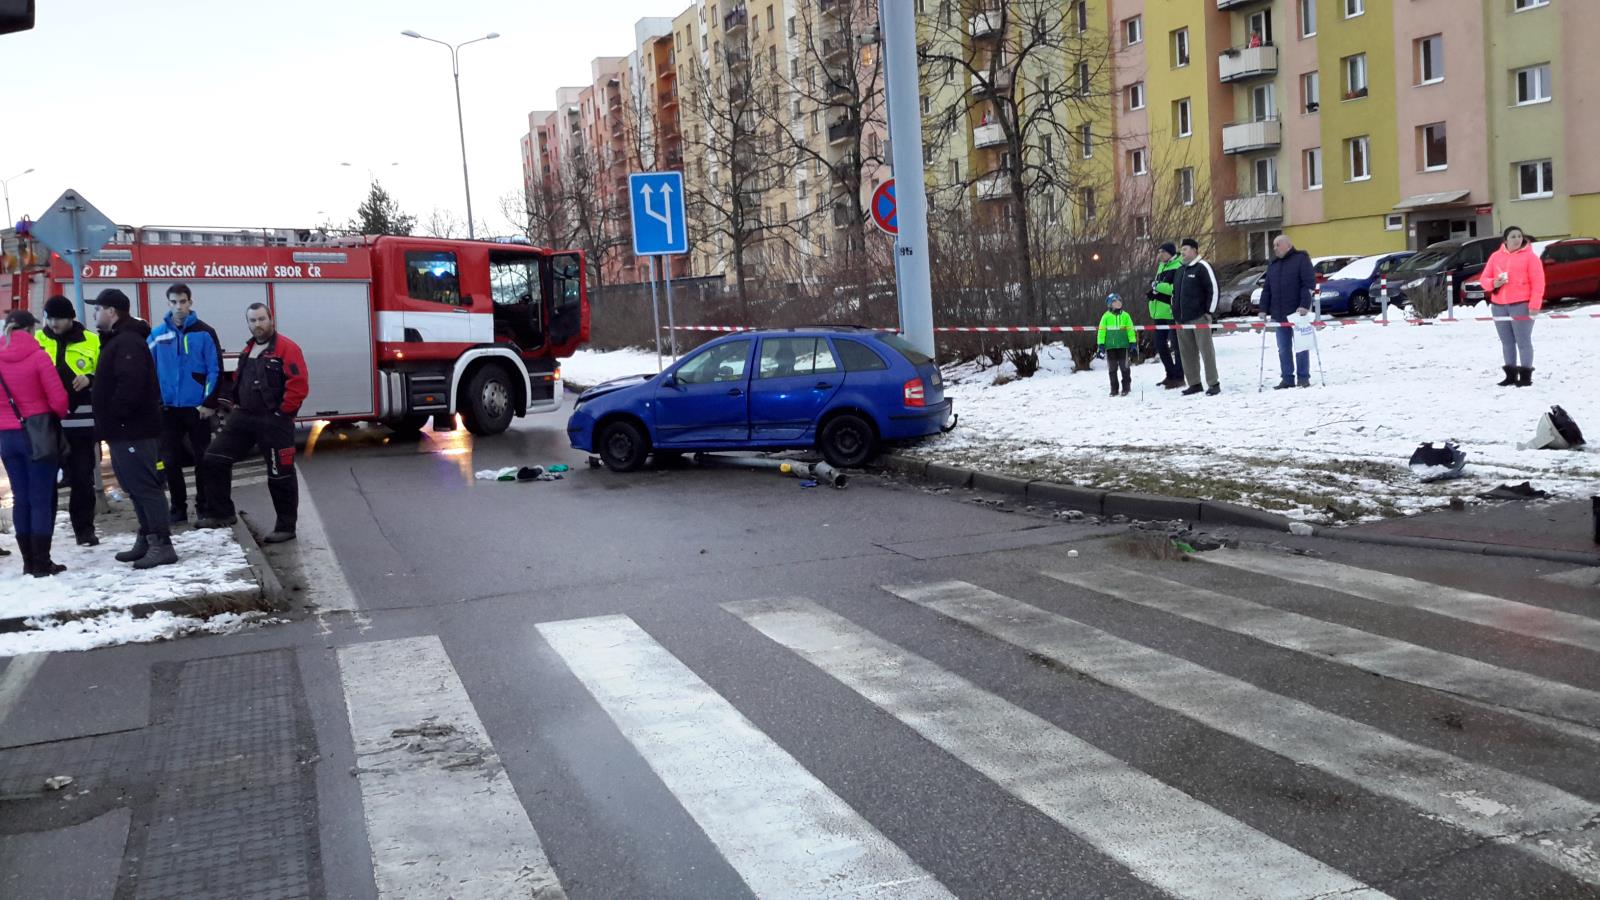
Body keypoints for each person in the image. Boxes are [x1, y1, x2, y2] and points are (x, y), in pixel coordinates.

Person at [197, 303, 308, 543]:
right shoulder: (249, 349)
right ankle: (222, 513)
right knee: (214, 458)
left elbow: (298, 383)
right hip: (244, 417)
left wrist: (282, 413)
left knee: (280, 474)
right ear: (248, 323)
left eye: (261, 319)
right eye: (252, 320)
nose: (257, 324)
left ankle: (286, 527)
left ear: (271, 319)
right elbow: (240, 379)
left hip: (274, 421)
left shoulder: (287, 348)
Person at [91, 288, 180, 569]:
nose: (94, 313)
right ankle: (147, 536)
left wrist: (115, 416)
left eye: (98, 308)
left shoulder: (127, 342)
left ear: (112, 312)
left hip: (133, 429)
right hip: (123, 429)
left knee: (145, 487)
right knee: (133, 486)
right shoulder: (118, 340)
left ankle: (162, 544)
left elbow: (130, 385)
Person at [0, 310, 71, 576]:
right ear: (30, 330)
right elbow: (59, 400)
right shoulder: (39, 356)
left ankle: (28, 561)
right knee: (41, 498)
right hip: (37, 435)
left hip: (6, 438)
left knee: (22, 498)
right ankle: (42, 562)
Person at [147, 283, 223, 524]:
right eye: (174, 302)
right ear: (168, 303)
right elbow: (147, 369)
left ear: (190, 302)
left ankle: (204, 505)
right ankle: (178, 507)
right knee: (170, 461)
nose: (179, 307)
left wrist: (208, 402)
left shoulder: (205, 332)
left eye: (182, 301)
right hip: (168, 409)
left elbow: (215, 369)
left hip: (197, 409)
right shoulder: (158, 334)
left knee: (203, 459)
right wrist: (155, 400)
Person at [37, 295, 103, 545]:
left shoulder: (92, 341)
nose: (53, 323)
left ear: (71, 317)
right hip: (47, 424)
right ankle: (45, 534)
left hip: (82, 422)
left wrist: (90, 378)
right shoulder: (38, 339)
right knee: (46, 481)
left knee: (82, 479)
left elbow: (105, 373)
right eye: (49, 317)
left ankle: (84, 530)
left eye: (59, 318)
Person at [1479, 225, 1545, 387]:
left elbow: (1538, 283)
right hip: (1499, 305)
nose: (1517, 239)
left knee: (1523, 341)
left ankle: (1525, 376)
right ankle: (1510, 375)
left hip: (1521, 304)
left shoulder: (1531, 258)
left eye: (1519, 236)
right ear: (1506, 240)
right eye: (1513, 236)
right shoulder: (1495, 257)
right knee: (1507, 342)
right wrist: (1494, 282)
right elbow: (1484, 280)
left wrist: (1535, 304)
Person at [1259, 235, 1317, 389]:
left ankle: (1303, 377)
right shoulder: (1273, 264)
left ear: (1288, 245)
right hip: (1279, 314)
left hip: (1298, 313)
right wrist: (1263, 309)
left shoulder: (1301, 259)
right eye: (1273, 245)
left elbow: (1309, 284)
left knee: (1301, 346)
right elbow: (1267, 289)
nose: (1275, 248)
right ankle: (1287, 378)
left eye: (1277, 244)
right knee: (1283, 348)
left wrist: (1304, 304)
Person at [1171, 238, 1222, 396]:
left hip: (1199, 317)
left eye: (1185, 249)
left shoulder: (1202, 267)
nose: (1182, 252)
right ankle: (1194, 383)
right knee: (1187, 353)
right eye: (1181, 249)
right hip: (1181, 320)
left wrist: (1209, 313)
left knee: (1206, 352)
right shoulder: (1180, 270)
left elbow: (1213, 290)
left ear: (1194, 250)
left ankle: (1213, 383)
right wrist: (1175, 313)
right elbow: (1175, 293)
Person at [1146, 242, 1184, 388]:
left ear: (1170, 253)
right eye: (1159, 252)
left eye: (1163, 252)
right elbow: (1159, 285)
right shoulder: (1162, 266)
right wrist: (1153, 293)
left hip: (1171, 312)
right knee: (1160, 344)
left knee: (1176, 345)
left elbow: (1174, 289)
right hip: (1158, 312)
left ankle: (1179, 377)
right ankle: (1170, 374)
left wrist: (1156, 286)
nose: (1160, 254)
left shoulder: (1178, 266)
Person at [1097, 293, 1136, 397]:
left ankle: (1126, 387)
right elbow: (1101, 331)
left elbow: (1130, 330)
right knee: (1112, 369)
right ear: (1110, 304)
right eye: (1115, 301)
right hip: (1110, 347)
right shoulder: (1105, 317)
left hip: (1123, 346)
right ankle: (1114, 389)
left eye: (1119, 301)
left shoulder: (1126, 316)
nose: (1118, 303)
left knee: (1125, 368)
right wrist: (1101, 345)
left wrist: (1133, 343)